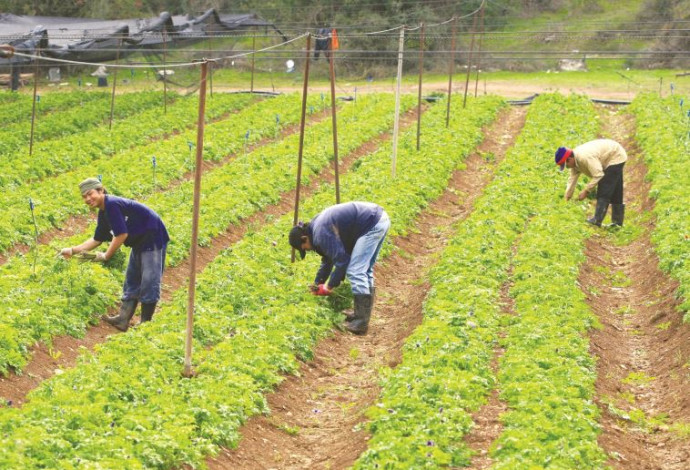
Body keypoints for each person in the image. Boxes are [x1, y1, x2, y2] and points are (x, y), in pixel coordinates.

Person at [60, 178, 169, 331]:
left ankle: (145, 323)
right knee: (132, 278)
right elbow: (97, 239)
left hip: (153, 236)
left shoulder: (111, 205)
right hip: (138, 241)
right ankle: (122, 319)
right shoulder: (104, 212)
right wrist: (72, 250)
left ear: (101, 190)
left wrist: (106, 255)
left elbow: (121, 235)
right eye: (84, 197)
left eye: (90, 194)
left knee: (149, 279)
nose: (88, 199)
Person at [289, 201, 390, 335]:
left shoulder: (320, 234)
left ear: (304, 238)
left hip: (371, 224)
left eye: (304, 248)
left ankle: (361, 322)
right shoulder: (315, 229)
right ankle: (360, 314)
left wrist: (329, 286)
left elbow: (342, 261)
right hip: (378, 219)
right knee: (365, 270)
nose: (308, 250)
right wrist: (317, 284)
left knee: (356, 271)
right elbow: (328, 259)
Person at [555, 138, 628, 227]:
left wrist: (586, 191)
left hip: (615, 155)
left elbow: (598, 175)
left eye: (566, 165)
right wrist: (567, 198)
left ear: (569, 159)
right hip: (610, 155)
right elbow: (572, 180)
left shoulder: (585, 157)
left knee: (605, 187)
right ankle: (617, 223)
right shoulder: (574, 162)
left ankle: (597, 220)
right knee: (616, 188)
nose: (567, 167)